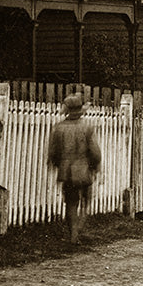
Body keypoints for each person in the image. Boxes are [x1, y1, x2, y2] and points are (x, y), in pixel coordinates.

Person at [47, 94, 101, 244]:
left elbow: (53, 153)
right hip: (83, 170)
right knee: (86, 200)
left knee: (71, 203)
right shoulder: (87, 127)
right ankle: (80, 228)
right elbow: (95, 152)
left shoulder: (58, 128)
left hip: (66, 171)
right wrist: (95, 166)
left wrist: (59, 164)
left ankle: (73, 235)